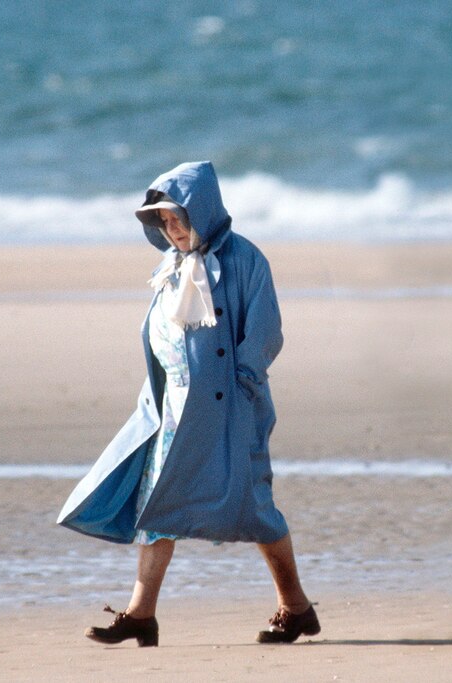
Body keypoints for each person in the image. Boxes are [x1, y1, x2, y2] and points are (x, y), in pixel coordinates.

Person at [57, 161, 319, 646]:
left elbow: (264, 332)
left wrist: (241, 383)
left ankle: (296, 606)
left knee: (256, 509)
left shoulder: (245, 261)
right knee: (160, 504)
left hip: (230, 411)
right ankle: (141, 615)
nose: (173, 229)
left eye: (179, 218)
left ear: (203, 211)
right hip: (173, 411)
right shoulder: (170, 266)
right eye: (164, 222)